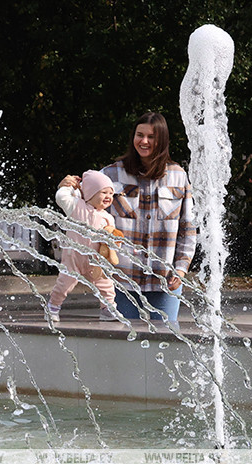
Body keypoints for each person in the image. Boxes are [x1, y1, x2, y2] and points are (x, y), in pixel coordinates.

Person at [101, 112, 197, 325]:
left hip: (164, 281)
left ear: (161, 140)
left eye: (151, 137)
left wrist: (181, 269)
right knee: (123, 346)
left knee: (165, 345)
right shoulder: (110, 174)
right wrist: (67, 187)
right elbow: (86, 209)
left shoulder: (178, 176)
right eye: (139, 135)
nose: (144, 141)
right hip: (120, 281)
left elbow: (188, 229)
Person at [47, 170, 121, 322]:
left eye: (111, 193)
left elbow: (111, 240)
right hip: (73, 258)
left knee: (106, 284)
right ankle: (53, 307)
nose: (108, 197)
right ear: (90, 193)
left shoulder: (108, 218)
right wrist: (69, 187)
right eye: (104, 192)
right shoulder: (76, 207)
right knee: (64, 284)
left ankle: (107, 309)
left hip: (96, 260)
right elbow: (61, 197)